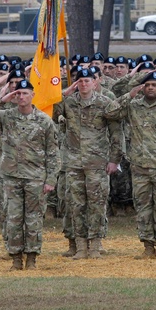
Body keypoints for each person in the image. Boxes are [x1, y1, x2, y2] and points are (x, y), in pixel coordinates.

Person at [0, 78, 61, 270]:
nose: (21, 96)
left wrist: (51, 180)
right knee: (13, 218)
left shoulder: (44, 121)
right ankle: (15, 258)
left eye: (24, 93)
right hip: (11, 177)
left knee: (33, 219)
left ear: (32, 95)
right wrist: (2, 100)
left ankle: (31, 257)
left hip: (35, 177)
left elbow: (53, 153)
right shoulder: (6, 116)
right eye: (18, 93)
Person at [104, 71, 156, 259]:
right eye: (147, 85)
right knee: (143, 207)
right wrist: (129, 95)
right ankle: (148, 245)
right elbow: (109, 112)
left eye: (154, 85)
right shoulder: (133, 106)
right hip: (140, 166)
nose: (150, 88)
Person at [53, 67, 121, 259]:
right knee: (76, 204)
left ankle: (96, 245)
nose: (83, 84)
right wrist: (64, 93)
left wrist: (114, 159)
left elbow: (116, 133)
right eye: (80, 81)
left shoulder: (105, 103)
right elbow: (50, 112)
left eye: (87, 81)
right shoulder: (68, 103)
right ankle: (80, 245)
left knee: (97, 204)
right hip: (74, 162)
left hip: (97, 163)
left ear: (95, 82)